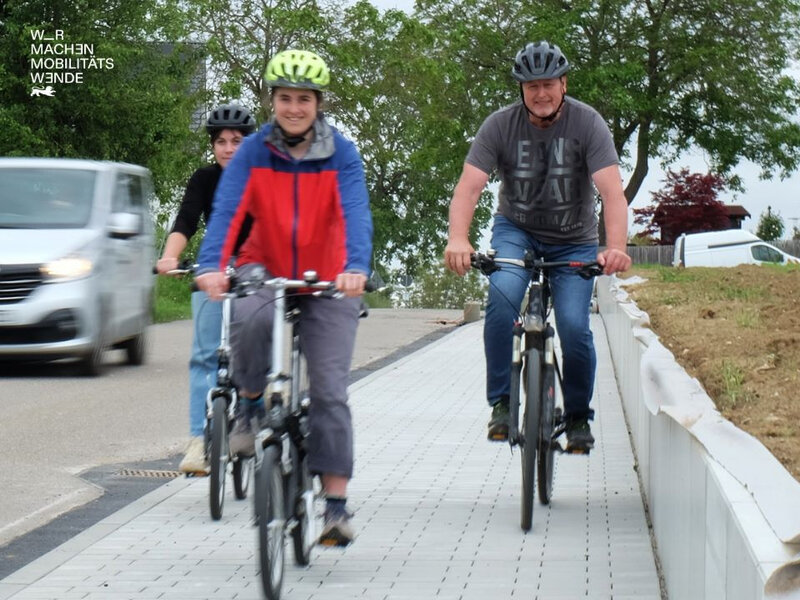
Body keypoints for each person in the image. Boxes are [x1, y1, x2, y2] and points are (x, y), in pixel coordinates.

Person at [195, 49, 373, 546]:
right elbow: (229, 210)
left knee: (331, 392)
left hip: (330, 275)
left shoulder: (342, 152)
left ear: (318, 103)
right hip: (264, 266)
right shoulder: (252, 151)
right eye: (284, 98)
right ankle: (250, 406)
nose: (293, 108)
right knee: (248, 320)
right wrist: (211, 265)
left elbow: (357, 213)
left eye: (303, 99)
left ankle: (334, 503)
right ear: (272, 101)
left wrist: (357, 268)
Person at [444, 41, 631, 453]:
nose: (541, 94)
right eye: (532, 87)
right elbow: (469, 187)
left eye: (548, 84)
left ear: (564, 83)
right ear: (521, 90)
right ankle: (502, 404)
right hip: (517, 231)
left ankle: (579, 414)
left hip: (573, 241)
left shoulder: (589, 124)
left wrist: (615, 246)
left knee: (574, 326)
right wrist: (458, 238)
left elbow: (612, 193)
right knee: (503, 301)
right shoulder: (499, 125)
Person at [156, 103, 256, 474]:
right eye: (221, 142)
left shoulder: (262, 179)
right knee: (203, 357)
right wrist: (170, 257)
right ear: (213, 146)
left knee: (254, 351)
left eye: (237, 141)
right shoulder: (203, 179)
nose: (229, 148)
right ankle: (198, 440)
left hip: (254, 274)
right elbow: (186, 220)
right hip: (212, 272)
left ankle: (251, 419)